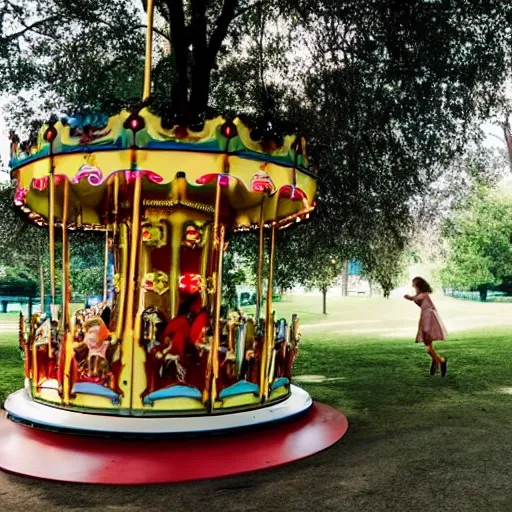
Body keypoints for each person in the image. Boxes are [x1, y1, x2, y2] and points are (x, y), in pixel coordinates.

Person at [404, 277, 448, 377]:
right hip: (425, 318)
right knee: (428, 348)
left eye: (414, 284)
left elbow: (415, 299)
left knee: (428, 346)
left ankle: (441, 361)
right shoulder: (420, 294)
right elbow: (415, 298)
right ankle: (437, 361)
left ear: (418, 285)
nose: (412, 286)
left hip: (428, 319)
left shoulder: (423, 295)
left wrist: (408, 297)